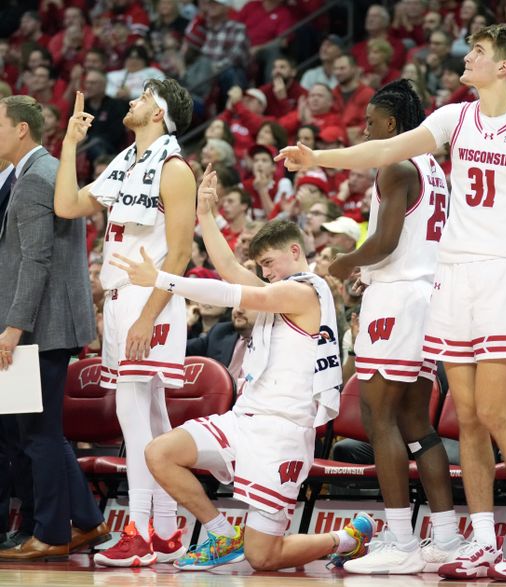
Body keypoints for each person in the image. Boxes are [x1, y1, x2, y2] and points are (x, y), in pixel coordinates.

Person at [279, 23, 506, 582]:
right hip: (450, 276)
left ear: (503, 66)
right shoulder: (454, 117)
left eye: (479, 53)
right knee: (468, 422)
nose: (468, 57)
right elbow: (387, 147)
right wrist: (319, 156)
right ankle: (481, 539)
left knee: (495, 413)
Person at [111, 189, 376, 571]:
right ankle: (220, 533)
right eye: (262, 267)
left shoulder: (304, 292)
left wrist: (163, 280)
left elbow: (229, 290)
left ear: (295, 252)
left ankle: (347, 537)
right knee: (159, 452)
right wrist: (205, 214)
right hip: (244, 418)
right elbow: (230, 271)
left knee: (262, 558)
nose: (265, 273)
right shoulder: (277, 289)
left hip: (281, 432)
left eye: (269, 263)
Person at [54, 79, 197, 567]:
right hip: (121, 299)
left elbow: (179, 253)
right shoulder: (126, 161)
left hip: (146, 300)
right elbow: (68, 206)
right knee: (151, 419)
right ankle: (164, 528)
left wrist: (147, 315)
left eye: (142, 97)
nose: (131, 101)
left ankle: (137, 530)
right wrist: (70, 143)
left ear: (158, 114)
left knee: (133, 419)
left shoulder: (175, 169)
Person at [323, 79, 461, 574]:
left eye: (372, 121)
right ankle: (444, 535)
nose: (366, 128)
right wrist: (369, 266)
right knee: (416, 423)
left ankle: (400, 541)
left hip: (399, 299)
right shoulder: (433, 168)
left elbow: (382, 242)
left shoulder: (396, 163)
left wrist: (344, 262)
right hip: (427, 295)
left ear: (393, 125)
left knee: (376, 416)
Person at [0, 95, 107, 562]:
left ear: (21, 129)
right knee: (41, 432)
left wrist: (12, 328)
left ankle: (50, 534)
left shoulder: (36, 179)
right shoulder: (39, 173)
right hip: (45, 325)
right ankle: (86, 521)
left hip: (41, 327)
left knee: (37, 435)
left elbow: (36, 262)